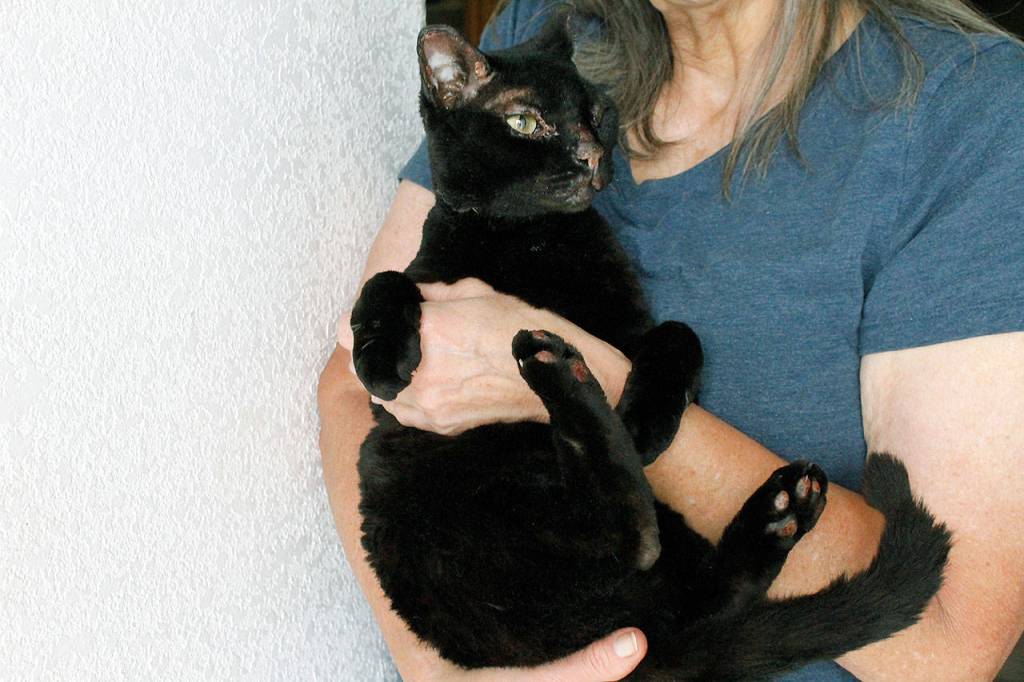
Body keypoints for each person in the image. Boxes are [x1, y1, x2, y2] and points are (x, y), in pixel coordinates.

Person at [318, 0, 1024, 679]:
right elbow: (359, 378)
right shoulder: (544, 26)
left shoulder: (971, 111)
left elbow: (949, 643)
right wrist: (438, 668)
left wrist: (592, 391)